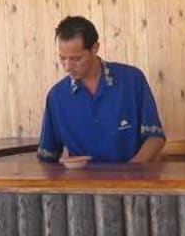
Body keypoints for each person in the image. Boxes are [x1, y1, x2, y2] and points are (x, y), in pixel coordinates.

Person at [37, 16, 166, 163]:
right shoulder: (56, 97)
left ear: (95, 48)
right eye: (62, 58)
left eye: (76, 59)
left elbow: (155, 138)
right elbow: (47, 157)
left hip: (133, 175)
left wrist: (132, 171)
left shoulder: (131, 80)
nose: (67, 67)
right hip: (80, 178)